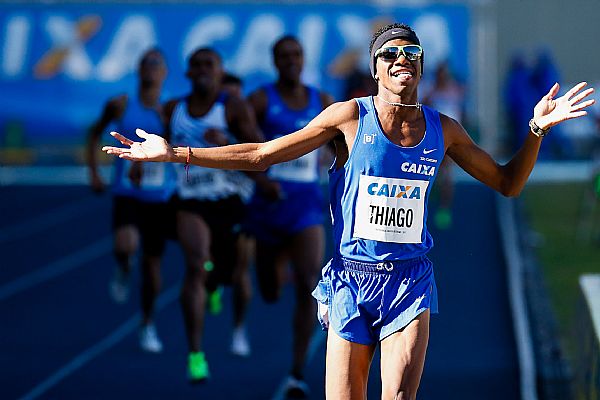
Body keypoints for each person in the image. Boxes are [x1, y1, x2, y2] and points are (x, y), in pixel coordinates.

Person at [103, 23, 594, 400]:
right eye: (391, 54)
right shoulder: (347, 118)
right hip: (350, 281)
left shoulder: (444, 129)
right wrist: (174, 154)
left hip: (409, 281)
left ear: (420, 69)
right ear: (376, 69)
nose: (403, 59)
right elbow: (262, 155)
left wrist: (535, 130)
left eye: (412, 53)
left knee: (398, 395)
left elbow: (507, 185)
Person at [162, 47, 262, 382]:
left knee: (232, 272)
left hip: (229, 200)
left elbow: (258, 148)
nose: (203, 70)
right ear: (188, 73)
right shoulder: (173, 109)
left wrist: (227, 139)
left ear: (220, 72)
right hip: (191, 201)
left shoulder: (232, 107)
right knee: (196, 264)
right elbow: (157, 142)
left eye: (210, 65)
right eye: (197, 65)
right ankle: (195, 354)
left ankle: (218, 284)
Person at [246, 35, 334, 397]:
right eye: (284, 56)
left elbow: (341, 145)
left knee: (308, 284)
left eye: (296, 54)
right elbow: (246, 144)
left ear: (303, 58)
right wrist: (259, 178)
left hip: (305, 206)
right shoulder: (262, 99)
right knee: (267, 289)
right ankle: (279, 262)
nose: (291, 61)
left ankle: (296, 372)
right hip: (268, 207)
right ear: (275, 61)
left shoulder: (323, 102)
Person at [87, 48, 175, 353]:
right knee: (126, 245)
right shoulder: (121, 105)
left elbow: (179, 148)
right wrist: (95, 173)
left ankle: (147, 323)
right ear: (139, 71)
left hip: (158, 197)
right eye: (146, 64)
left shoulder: (169, 110)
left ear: (164, 73)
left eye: (157, 65)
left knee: (152, 267)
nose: (151, 69)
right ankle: (124, 266)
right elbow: (94, 133)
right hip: (127, 193)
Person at [422, 61, 467, 230]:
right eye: (441, 73)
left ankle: (444, 208)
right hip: (434, 138)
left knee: (447, 173)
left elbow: (461, 112)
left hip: (451, 138)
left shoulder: (455, 91)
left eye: (446, 74)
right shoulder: (431, 92)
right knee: (430, 172)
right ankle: (427, 202)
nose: (443, 77)